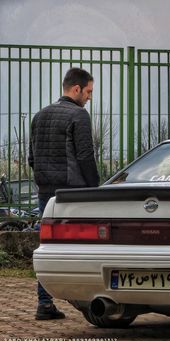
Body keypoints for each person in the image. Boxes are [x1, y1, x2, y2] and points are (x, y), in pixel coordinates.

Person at [28, 67, 100, 320]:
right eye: (89, 92)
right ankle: (93, 300)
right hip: (73, 192)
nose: (90, 97)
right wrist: (95, 189)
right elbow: (85, 156)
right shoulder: (79, 115)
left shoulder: (39, 116)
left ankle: (44, 303)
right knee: (87, 245)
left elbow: (31, 158)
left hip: (46, 191)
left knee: (47, 245)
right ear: (76, 89)